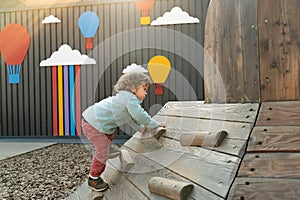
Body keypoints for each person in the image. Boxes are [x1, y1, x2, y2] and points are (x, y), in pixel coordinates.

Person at [81, 72, 165, 192]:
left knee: (109, 134)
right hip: (93, 124)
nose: (146, 93)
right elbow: (140, 115)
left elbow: (129, 118)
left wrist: (141, 128)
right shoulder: (130, 99)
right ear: (133, 88)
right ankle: (93, 178)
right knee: (102, 152)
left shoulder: (124, 99)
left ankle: (107, 148)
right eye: (144, 89)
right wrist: (154, 125)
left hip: (96, 122)